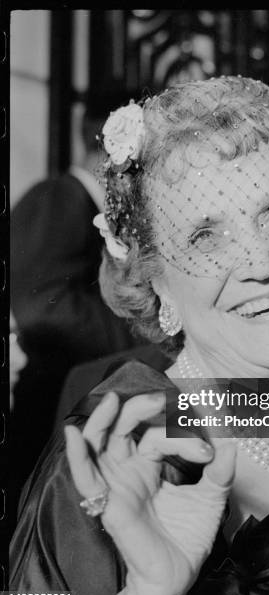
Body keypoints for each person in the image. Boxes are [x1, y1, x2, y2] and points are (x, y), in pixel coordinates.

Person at [10, 77, 269, 595]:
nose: (261, 264)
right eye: (205, 238)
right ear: (158, 286)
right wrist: (147, 594)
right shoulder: (121, 451)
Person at [10, 100, 141, 513]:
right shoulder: (60, 198)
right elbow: (40, 308)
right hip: (43, 421)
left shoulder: (81, 206)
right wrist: (141, 327)